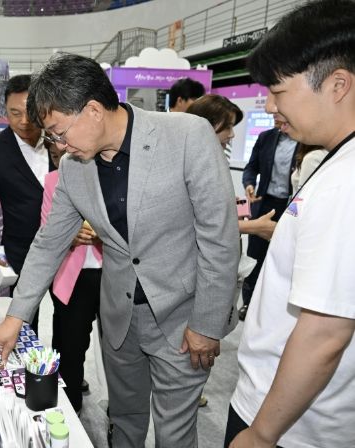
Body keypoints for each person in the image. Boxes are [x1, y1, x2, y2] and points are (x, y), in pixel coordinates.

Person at [0, 53, 239, 447]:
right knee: (123, 420)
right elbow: (49, 243)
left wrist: (207, 323)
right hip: (120, 320)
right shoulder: (74, 168)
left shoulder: (187, 135)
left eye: (58, 132)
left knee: (174, 433)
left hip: (183, 321)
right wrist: (15, 317)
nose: (58, 145)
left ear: (92, 110)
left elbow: (219, 238)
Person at [226, 1, 355, 447]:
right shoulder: (334, 161)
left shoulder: (344, 183)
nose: (269, 105)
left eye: (278, 91)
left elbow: (325, 332)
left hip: (289, 424)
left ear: (337, 85)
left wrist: (262, 434)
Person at [0, 74, 56, 333]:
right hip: (21, 252)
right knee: (24, 325)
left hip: (68, 252)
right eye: (14, 113)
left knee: (71, 327)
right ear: (5, 111)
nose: (24, 121)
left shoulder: (61, 141)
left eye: (30, 112)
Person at [41, 139, 101, 413]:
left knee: (115, 350)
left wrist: (103, 233)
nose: (61, 162)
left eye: (66, 155)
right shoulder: (52, 181)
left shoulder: (104, 178)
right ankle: (70, 405)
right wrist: (69, 235)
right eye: (55, 157)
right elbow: (47, 230)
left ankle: (117, 415)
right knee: (70, 345)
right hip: (71, 277)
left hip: (112, 274)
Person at [186, 94, 278, 241]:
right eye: (228, 127)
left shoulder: (210, 159)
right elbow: (194, 221)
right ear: (206, 125)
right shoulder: (187, 165)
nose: (232, 134)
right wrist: (255, 227)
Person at [240, 110, 299, 320]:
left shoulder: (305, 141)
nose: (273, 114)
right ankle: (248, 304)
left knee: (282, 258)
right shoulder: (266, 137)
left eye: (278, 113)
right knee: (255, 257)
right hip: (263, 204)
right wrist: (249, 184)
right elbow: (251, 167)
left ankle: (275, 307)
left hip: (290, 208)